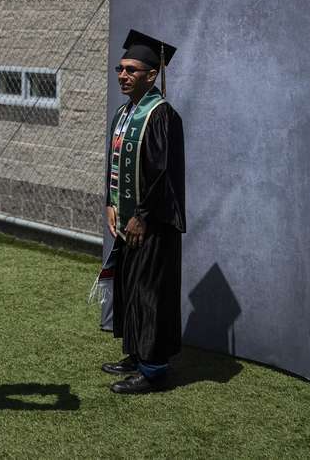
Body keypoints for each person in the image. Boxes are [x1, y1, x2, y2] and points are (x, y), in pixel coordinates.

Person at [100, 29, 186, 394]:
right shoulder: (125, 112)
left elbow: (163, 173)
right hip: (127, 221)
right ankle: (136, 353)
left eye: (132, 70)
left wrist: (142, 216)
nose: (123, 75)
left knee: (149, 293)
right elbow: (116, 161)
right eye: (121, 68)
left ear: (151, 75)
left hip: (152, 225)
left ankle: (153, 370)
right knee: (130, 288)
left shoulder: (162, 115)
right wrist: (110, 201)